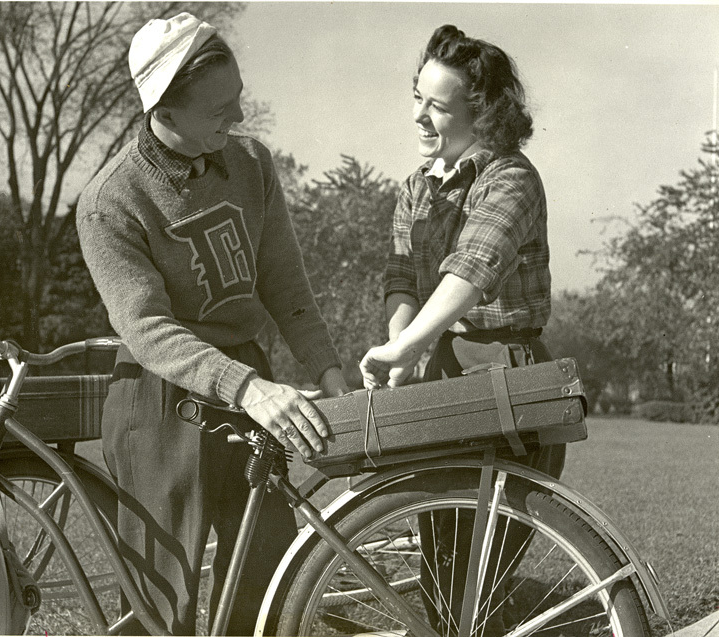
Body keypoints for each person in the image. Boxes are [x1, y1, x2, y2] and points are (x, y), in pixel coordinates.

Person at [76, 12, 348, 636]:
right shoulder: (109, 202)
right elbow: (147, 330)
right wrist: (250, 390)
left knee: (265, 584)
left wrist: (329, 372)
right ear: (165, 112)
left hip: (249, 389)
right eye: (220, 108)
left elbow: (286, 285)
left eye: (239, 99)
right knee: (160, 606)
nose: (240, 119)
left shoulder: (251, 163)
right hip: (159, 399)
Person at [359, 25, 566, 634]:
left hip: (508, 382)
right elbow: (402, 278)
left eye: (437, 106)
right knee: (440, 567)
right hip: (437, 375)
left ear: (483, 111)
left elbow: (470, 270)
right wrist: (402, 348)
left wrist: (408, 344)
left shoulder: (510, 179)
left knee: (480, 574)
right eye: (416, 97)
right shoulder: (415, 188)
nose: (419, 116)